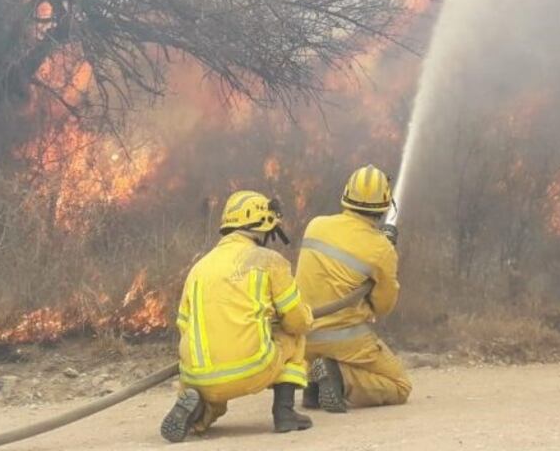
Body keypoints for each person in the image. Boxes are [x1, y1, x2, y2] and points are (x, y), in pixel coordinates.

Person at [160, 191, 314, 442]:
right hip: (253, 368)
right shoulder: (270, 261)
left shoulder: (199, 267)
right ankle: (285, 413)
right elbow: (296, 319)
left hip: (198, 375)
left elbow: (184, 325)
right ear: (263, 223)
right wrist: (301, 317)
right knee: (294, 334)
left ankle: (198, 412)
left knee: (214, 396)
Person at [295, 165, 411, 412]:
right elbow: (384, 305)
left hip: (304, 338)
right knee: (400, 385)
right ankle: (338, 376)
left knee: (320, 359)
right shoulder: (381, 249)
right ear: (383, 206)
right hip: (345, 340)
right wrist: (386, 248)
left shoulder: (315, 225)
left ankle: (315, 385)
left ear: (346, 196)